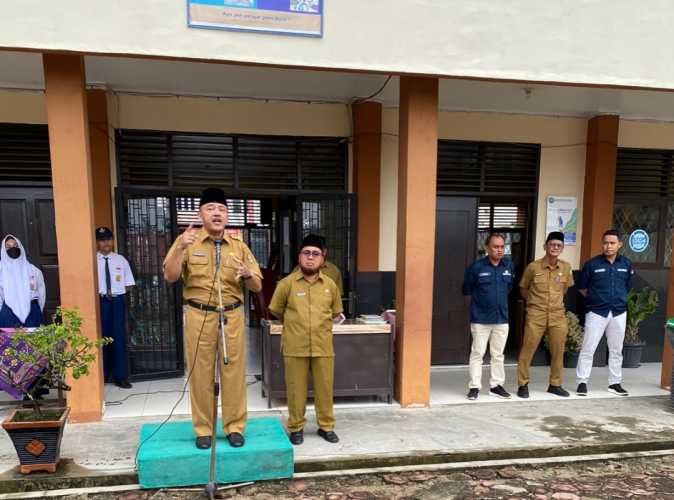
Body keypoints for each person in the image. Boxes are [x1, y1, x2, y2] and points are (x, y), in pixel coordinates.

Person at [163, 187, 262, 450]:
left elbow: (258, 287)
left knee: (233, 373)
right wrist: (178, 249)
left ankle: (234, 427)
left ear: (227, 215)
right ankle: (203, 429)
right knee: (201, 373)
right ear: (200, 213)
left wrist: (248, 274)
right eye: (210, 209)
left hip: (231, 316)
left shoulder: (239, 247)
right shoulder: (186, 241)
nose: (216, 213)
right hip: (199, 316)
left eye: (221, 209)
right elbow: (170, 276)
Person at [269, 234, 343, 445]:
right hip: (295, 345)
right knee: (295, 389)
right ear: (299, 256)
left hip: (323, 345)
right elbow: (276, 310)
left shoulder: (330, 285)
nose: (310, 258)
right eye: (306, 253)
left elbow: (336, 312)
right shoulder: (286, 284)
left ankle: (326, 426)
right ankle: (296, 427)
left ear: (323, 257)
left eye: (315, 254)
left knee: (325, 389)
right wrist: (296, 323)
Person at [576, 229, 633, 397]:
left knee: (616, 350)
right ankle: (582, 382)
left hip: (618, 312)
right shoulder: (592, 264)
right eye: (606, 243)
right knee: (588, 348)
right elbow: (582, 288)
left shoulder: (626, 264)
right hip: (597, 312)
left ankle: (615, 383)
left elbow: (627, 286)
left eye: (612, 243)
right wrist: (595, 299)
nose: (608, 246)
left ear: (619, 244)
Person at [517, 231, 574, 398]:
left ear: (562, 248)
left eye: (559, 245)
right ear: (545, 246)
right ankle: (523, 384)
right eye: (552, 244)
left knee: (558, 351)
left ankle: (555, 384)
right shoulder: (533, 267)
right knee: (528, 349)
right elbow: (523, 288)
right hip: (536, 314)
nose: (555, 248)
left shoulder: (566, 267)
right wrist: (534, 303)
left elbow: (565, 289)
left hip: (557, 315)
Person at [462, 233, 514, 400]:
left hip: (501, 318)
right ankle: (474, 387)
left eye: (501, 246)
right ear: (487, 248)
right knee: (477, 353)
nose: (499, 250)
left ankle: (496, 385)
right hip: (481, 319)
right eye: (495, 246)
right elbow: (466, 289)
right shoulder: (476, 268)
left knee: (498, 354)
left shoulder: (508, 266)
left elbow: (509, 288)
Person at [96, 227, 136, 390]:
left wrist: (115, 293)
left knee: (119, 338)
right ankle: (103, 376)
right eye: (102, 240)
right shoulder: (93, 260)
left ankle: (121, 377)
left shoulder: (121, 260)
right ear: (97, 242)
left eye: (109, 239)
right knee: (101, 338)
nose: (106, 243)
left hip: (117, 301)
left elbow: (129, 284)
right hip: (100, 301)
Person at [0, 235, 45, 328]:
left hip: (32, 313)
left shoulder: (34, 271)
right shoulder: (1, 272)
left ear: (21, 248)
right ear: (3, 251)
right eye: (8, 247)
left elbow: (41, 294)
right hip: (8, 314)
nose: (13, 248)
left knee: (34, 342)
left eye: (16, 246)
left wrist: (37, 310)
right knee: (10, 342)